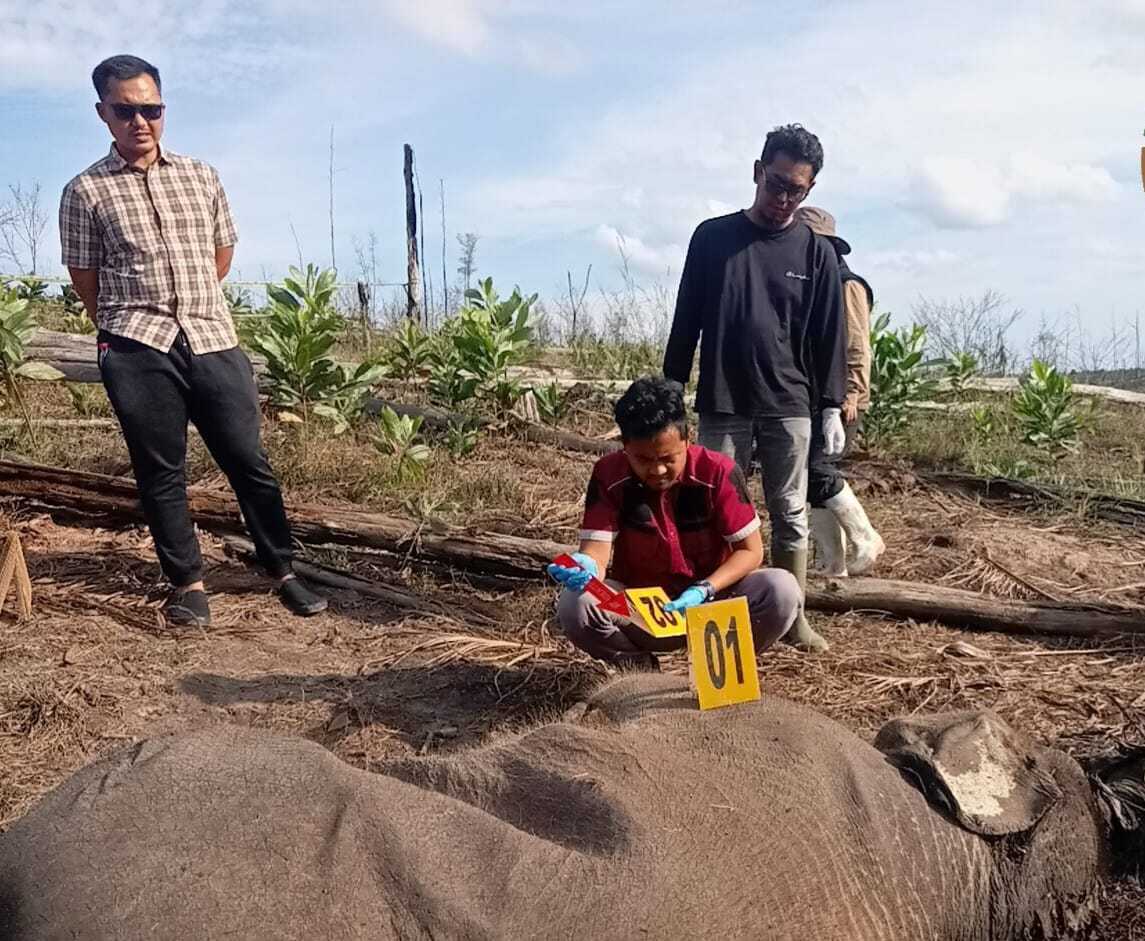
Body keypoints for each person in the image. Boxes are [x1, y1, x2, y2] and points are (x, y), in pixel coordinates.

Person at [59, 54, 326, 628]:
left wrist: (193, 302)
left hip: (212, 336)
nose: (140, 121)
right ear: (102, 113)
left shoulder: (201, 175)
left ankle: (281, 569)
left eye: (151, 108)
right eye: (125, 110)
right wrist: (126, 323)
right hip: (135, 344)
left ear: (163, 108)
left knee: (248, 459)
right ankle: (188, 583)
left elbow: (221, 255)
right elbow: (86, 278)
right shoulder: (85, 191)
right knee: (161, 470)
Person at [663, 124, 846, 652]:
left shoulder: (816, 254)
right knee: (713, 512)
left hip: (789, 403)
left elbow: (829, 336)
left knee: (790, 511)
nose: (783, 199)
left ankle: (793, 620)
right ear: (757, 172)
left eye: (797, 191)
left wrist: (830, 405)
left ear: (809, 191)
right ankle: (715, 614)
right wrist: (672, 385)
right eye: (777, 184)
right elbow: (687, 318)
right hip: (723, 399)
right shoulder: (713, 238)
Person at [550, 376, 800, 670]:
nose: (656, 470)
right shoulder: (609, 474)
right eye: (642, 459)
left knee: (782, 590)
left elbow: (751, 552)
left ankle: (720, 667)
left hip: (713, 601)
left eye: (668, 458)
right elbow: (596, 550)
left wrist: (705, 588)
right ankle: (640, 672)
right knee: (575, 604)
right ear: (624, 446)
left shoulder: (719, 472)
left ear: (687, 439)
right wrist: (587, 566)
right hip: (641, 610)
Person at [794, 206, 885, 576]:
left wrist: (851, 395)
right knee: (809, 480)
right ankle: (834, 563)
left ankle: (866, 539)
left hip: (842, 399)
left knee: (817, 469)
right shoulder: (817, 288)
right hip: (816, 398)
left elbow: (857, 345)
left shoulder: (848, 286)